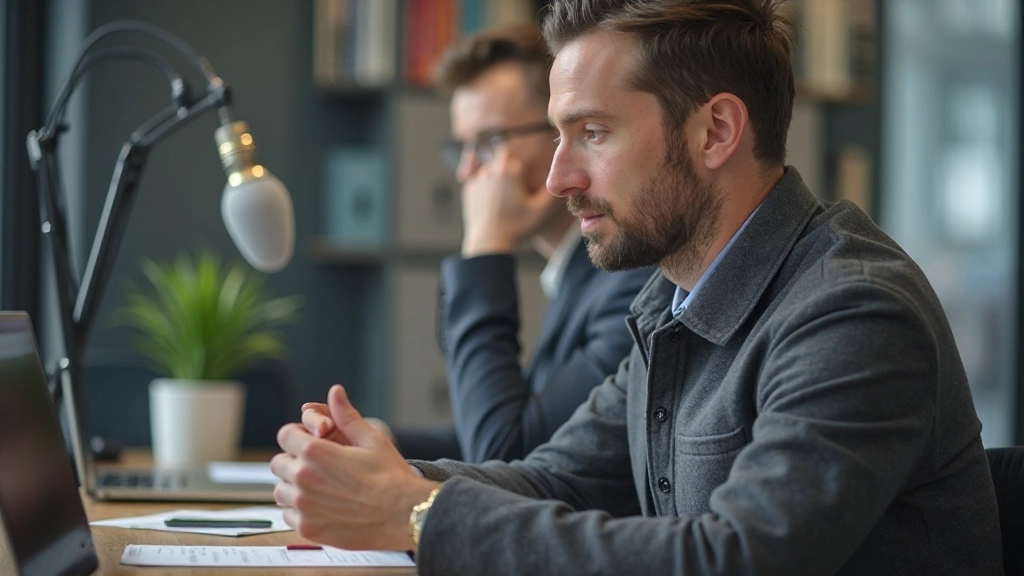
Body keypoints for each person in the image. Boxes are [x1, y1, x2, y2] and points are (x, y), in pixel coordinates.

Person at [273, 1, 1003, 574]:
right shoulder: (673, 298)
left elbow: (737, 560)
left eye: (593, 132)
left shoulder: (851, 311)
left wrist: (418, 513)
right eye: (559, 134)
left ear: (716, 130)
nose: (558, 177)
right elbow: (555, 479)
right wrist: (378, 478)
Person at [382, 24, 652, 463]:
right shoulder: (577, 276)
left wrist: (486, 247)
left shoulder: (630, 282)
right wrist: (382, 443)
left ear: (560, 129)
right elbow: (508, 431)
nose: (467, 171)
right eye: (462, 148)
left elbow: (505, 451)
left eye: (490, 142)